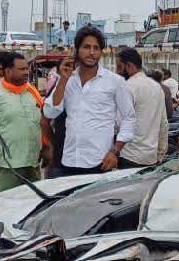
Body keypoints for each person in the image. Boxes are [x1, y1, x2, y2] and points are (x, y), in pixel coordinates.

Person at [43, 25, 136, 176]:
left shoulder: (115, 82)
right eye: (86, 47)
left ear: (101, 52)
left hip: (99, 163)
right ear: (77, 50)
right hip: (67, 161)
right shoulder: (67, 80)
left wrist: (115, 151)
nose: (92, 53)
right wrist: (62, 81)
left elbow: (129, 118)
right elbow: (50, 112)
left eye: (96, 48)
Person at [0, 52, 50, 193]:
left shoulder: (32, 93)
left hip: (33, 164)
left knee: (34, 207)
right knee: (8, 208)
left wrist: (47, 146)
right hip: (8, 168)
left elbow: (41, 122)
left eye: (27, 68)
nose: (27, 72)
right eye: (22, 69)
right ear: (8, 71)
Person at [115, 48, 168, 168]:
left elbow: (118, 123)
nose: (117, 72)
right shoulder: (157, 87)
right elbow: (163, 123)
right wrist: (160, 154)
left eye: (119, 67)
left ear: (128, 66)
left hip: (129, 157)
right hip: (150, 158)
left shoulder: (127, 87)